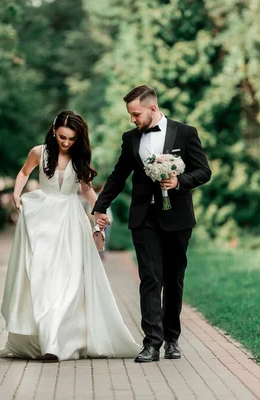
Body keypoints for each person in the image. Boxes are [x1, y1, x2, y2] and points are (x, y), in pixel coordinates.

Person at [0, 110, 140, 361]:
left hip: (71, 220)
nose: (66, 143)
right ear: (54, 130)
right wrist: (17, 193)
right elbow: (23, 173)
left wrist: (99, 212)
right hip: (42, 219)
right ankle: (46, 339)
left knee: (70, 280)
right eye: (62, 137)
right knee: (41, 278)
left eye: (71, 139)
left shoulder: (80, 158)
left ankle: (55, 343)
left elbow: (86, 192)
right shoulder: (38, 152)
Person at [93, 85, 211, 363]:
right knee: (149, 278)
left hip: (178, 218)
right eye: (130, 115)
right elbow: (118, 175)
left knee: (173, 279)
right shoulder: (130, 139)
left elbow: (203, 170)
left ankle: (172, 340)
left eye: (136, 114)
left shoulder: (186, 133)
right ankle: (151, 343)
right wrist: (100, 205)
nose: (133, 120)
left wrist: (179, 181)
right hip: (144, 218)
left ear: (152, 108)